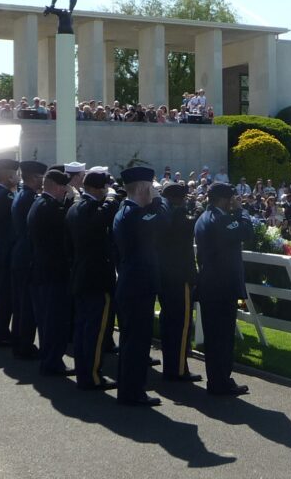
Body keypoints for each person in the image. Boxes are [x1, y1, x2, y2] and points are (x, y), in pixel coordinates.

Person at [112, 167, 169, 406]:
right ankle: (132, 392)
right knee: (136, 342)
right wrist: (160, 197)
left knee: (131, 341)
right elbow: (164, 220)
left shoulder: (126, 212)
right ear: (144, 189)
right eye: (150, 188)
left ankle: (129, 390)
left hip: (132, 283)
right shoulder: (133, 215)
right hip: (137, 286)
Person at [194, 182, 254, 396]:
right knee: (223, 336)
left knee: (213, 337)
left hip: (211, 284)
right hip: (222, 285)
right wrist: (241, 211)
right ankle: (221, 382)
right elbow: (246, 231)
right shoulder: (220, 219)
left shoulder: (204, 217)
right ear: (225, 199)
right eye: (231, 199)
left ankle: (216, 379)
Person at [66, 171, 120, 390]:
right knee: (95, 329)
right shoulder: (91, 209)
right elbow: (105, 216)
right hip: (97, 277)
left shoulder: (74, 208)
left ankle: (84, 371)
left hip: (81, 274)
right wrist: (111, 198)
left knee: (83, 327)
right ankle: (92, 375)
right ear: (99, 189)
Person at [28, 169, 72, 376]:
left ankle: (50, 359)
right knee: (55, 320)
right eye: (64, 186)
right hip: (53, 271)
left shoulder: (40, 203)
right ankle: (52, 361)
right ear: (55, 186)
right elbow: (64, 231)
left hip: (42, 269)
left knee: (48, 320)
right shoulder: (51, 208)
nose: (66, 190)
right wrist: (71, 205)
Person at [155, 183, 201, 382]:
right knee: (182, 325)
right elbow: (192, 225)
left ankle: (172, 365)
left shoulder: (161, 215)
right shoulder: (177, 216)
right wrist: (198, 209)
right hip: (180, 275)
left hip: (165, 274)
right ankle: (178, 369)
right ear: (177, 198)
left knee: (168, 322)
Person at [11, 161, 47, 359]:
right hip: (28, 255)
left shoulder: (22, 194)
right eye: (42, 177)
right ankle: (24, 345)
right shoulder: (30, 198)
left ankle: (20, 342)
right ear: (35, 177)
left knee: (21, 304)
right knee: (27, 306)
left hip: (20, 253)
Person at [0, 159, 20, 347]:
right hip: (6, 251)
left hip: (1, 251)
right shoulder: (4, 196)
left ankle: (1, 332)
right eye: (16, 174)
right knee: (5, 297)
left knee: (3, 296)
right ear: (9, 176)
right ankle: (1, 334)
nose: (18, 178)